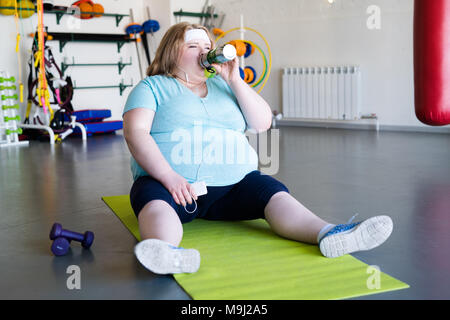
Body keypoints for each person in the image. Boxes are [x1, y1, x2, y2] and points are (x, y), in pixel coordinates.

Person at [122, 22, 393, 275]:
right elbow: (136, 133)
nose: (204, 53)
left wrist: (235, 80)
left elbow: (262, 123)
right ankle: (167, 251)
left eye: (207, 48)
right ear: (171, 53)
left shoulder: (224, 84)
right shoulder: (153, 87)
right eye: (193, 47)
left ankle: (330, 233)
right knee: (153, 201)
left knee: (273, 193)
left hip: (234, 185)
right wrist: (169, 177)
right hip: (171, 185)